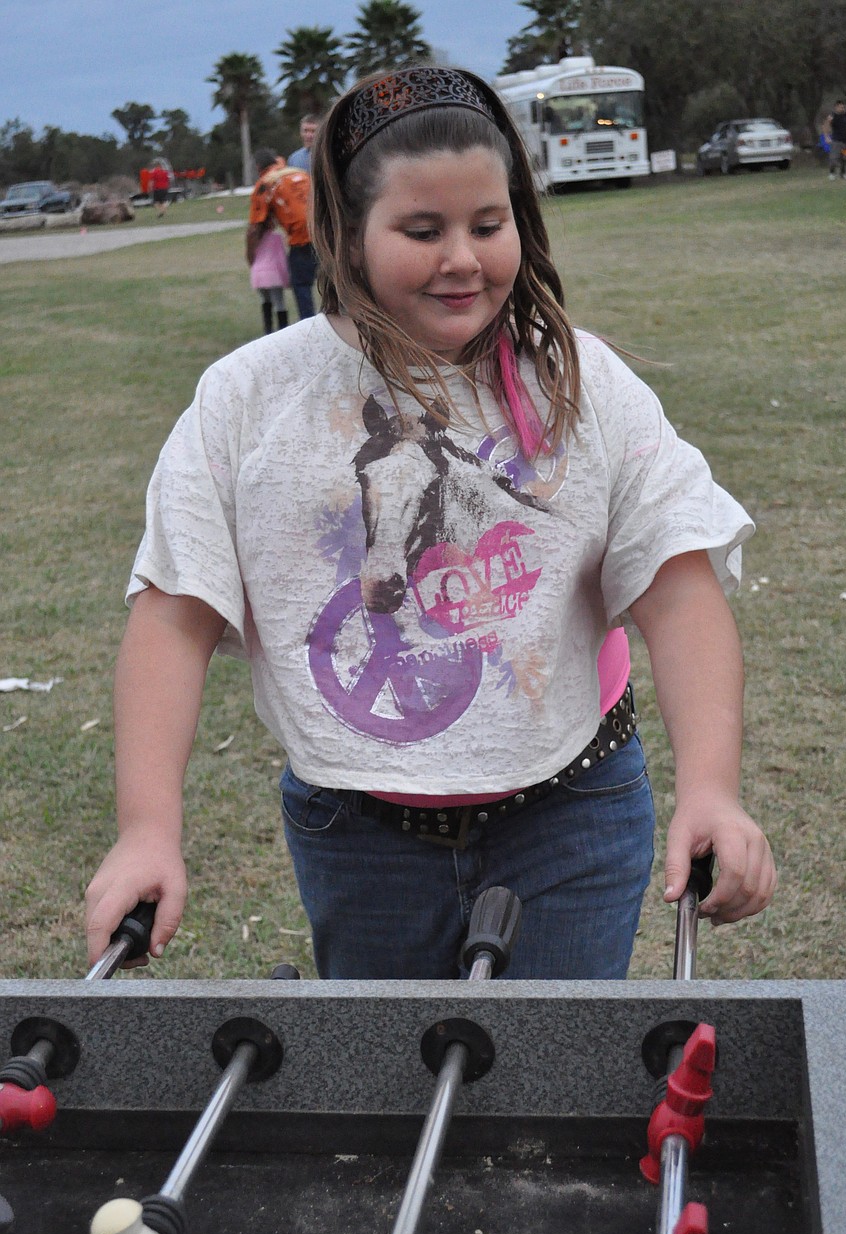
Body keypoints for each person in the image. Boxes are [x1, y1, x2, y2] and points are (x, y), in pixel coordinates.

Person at [84, 66, 775, 980]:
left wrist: (714, 788)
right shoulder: (245, 399)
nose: (464, 258)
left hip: (575, 809)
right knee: (396, 1100)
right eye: (423, 230)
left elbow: (679, 590)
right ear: (345, 234)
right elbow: (173, 616)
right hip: (357, 833)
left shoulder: (584, 383)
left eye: (489, 226)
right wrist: (146, 830)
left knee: (548, 1098)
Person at [247, 147, 315, 320]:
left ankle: (310, 326)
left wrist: (250, 255)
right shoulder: (301, 173)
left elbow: (255, 227)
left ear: (258, 167)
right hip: (327, 232)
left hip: (301, 238)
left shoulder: (265, 183)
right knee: (334, 284)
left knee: (301, 285)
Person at [247, 205, 290, 334]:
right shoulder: (276, 238)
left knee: (266, 302)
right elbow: (281, 260)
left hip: (258, 275)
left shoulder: (253, 237)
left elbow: (250, 257)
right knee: (280, 304)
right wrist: (286, 278)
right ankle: (283, 331)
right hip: (273, 275)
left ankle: (268, 330)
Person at [827, 100, 846, 179]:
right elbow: (826, 126)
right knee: (833, 158)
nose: (842, 108)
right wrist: (827, 137)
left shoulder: (845, 115)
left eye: (843, 107)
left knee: (845, 157)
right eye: (841, 107)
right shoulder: (832, 116)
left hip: (845, 141)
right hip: (836, 141)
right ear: (836, 107)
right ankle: (832, 173)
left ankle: (843, 174)